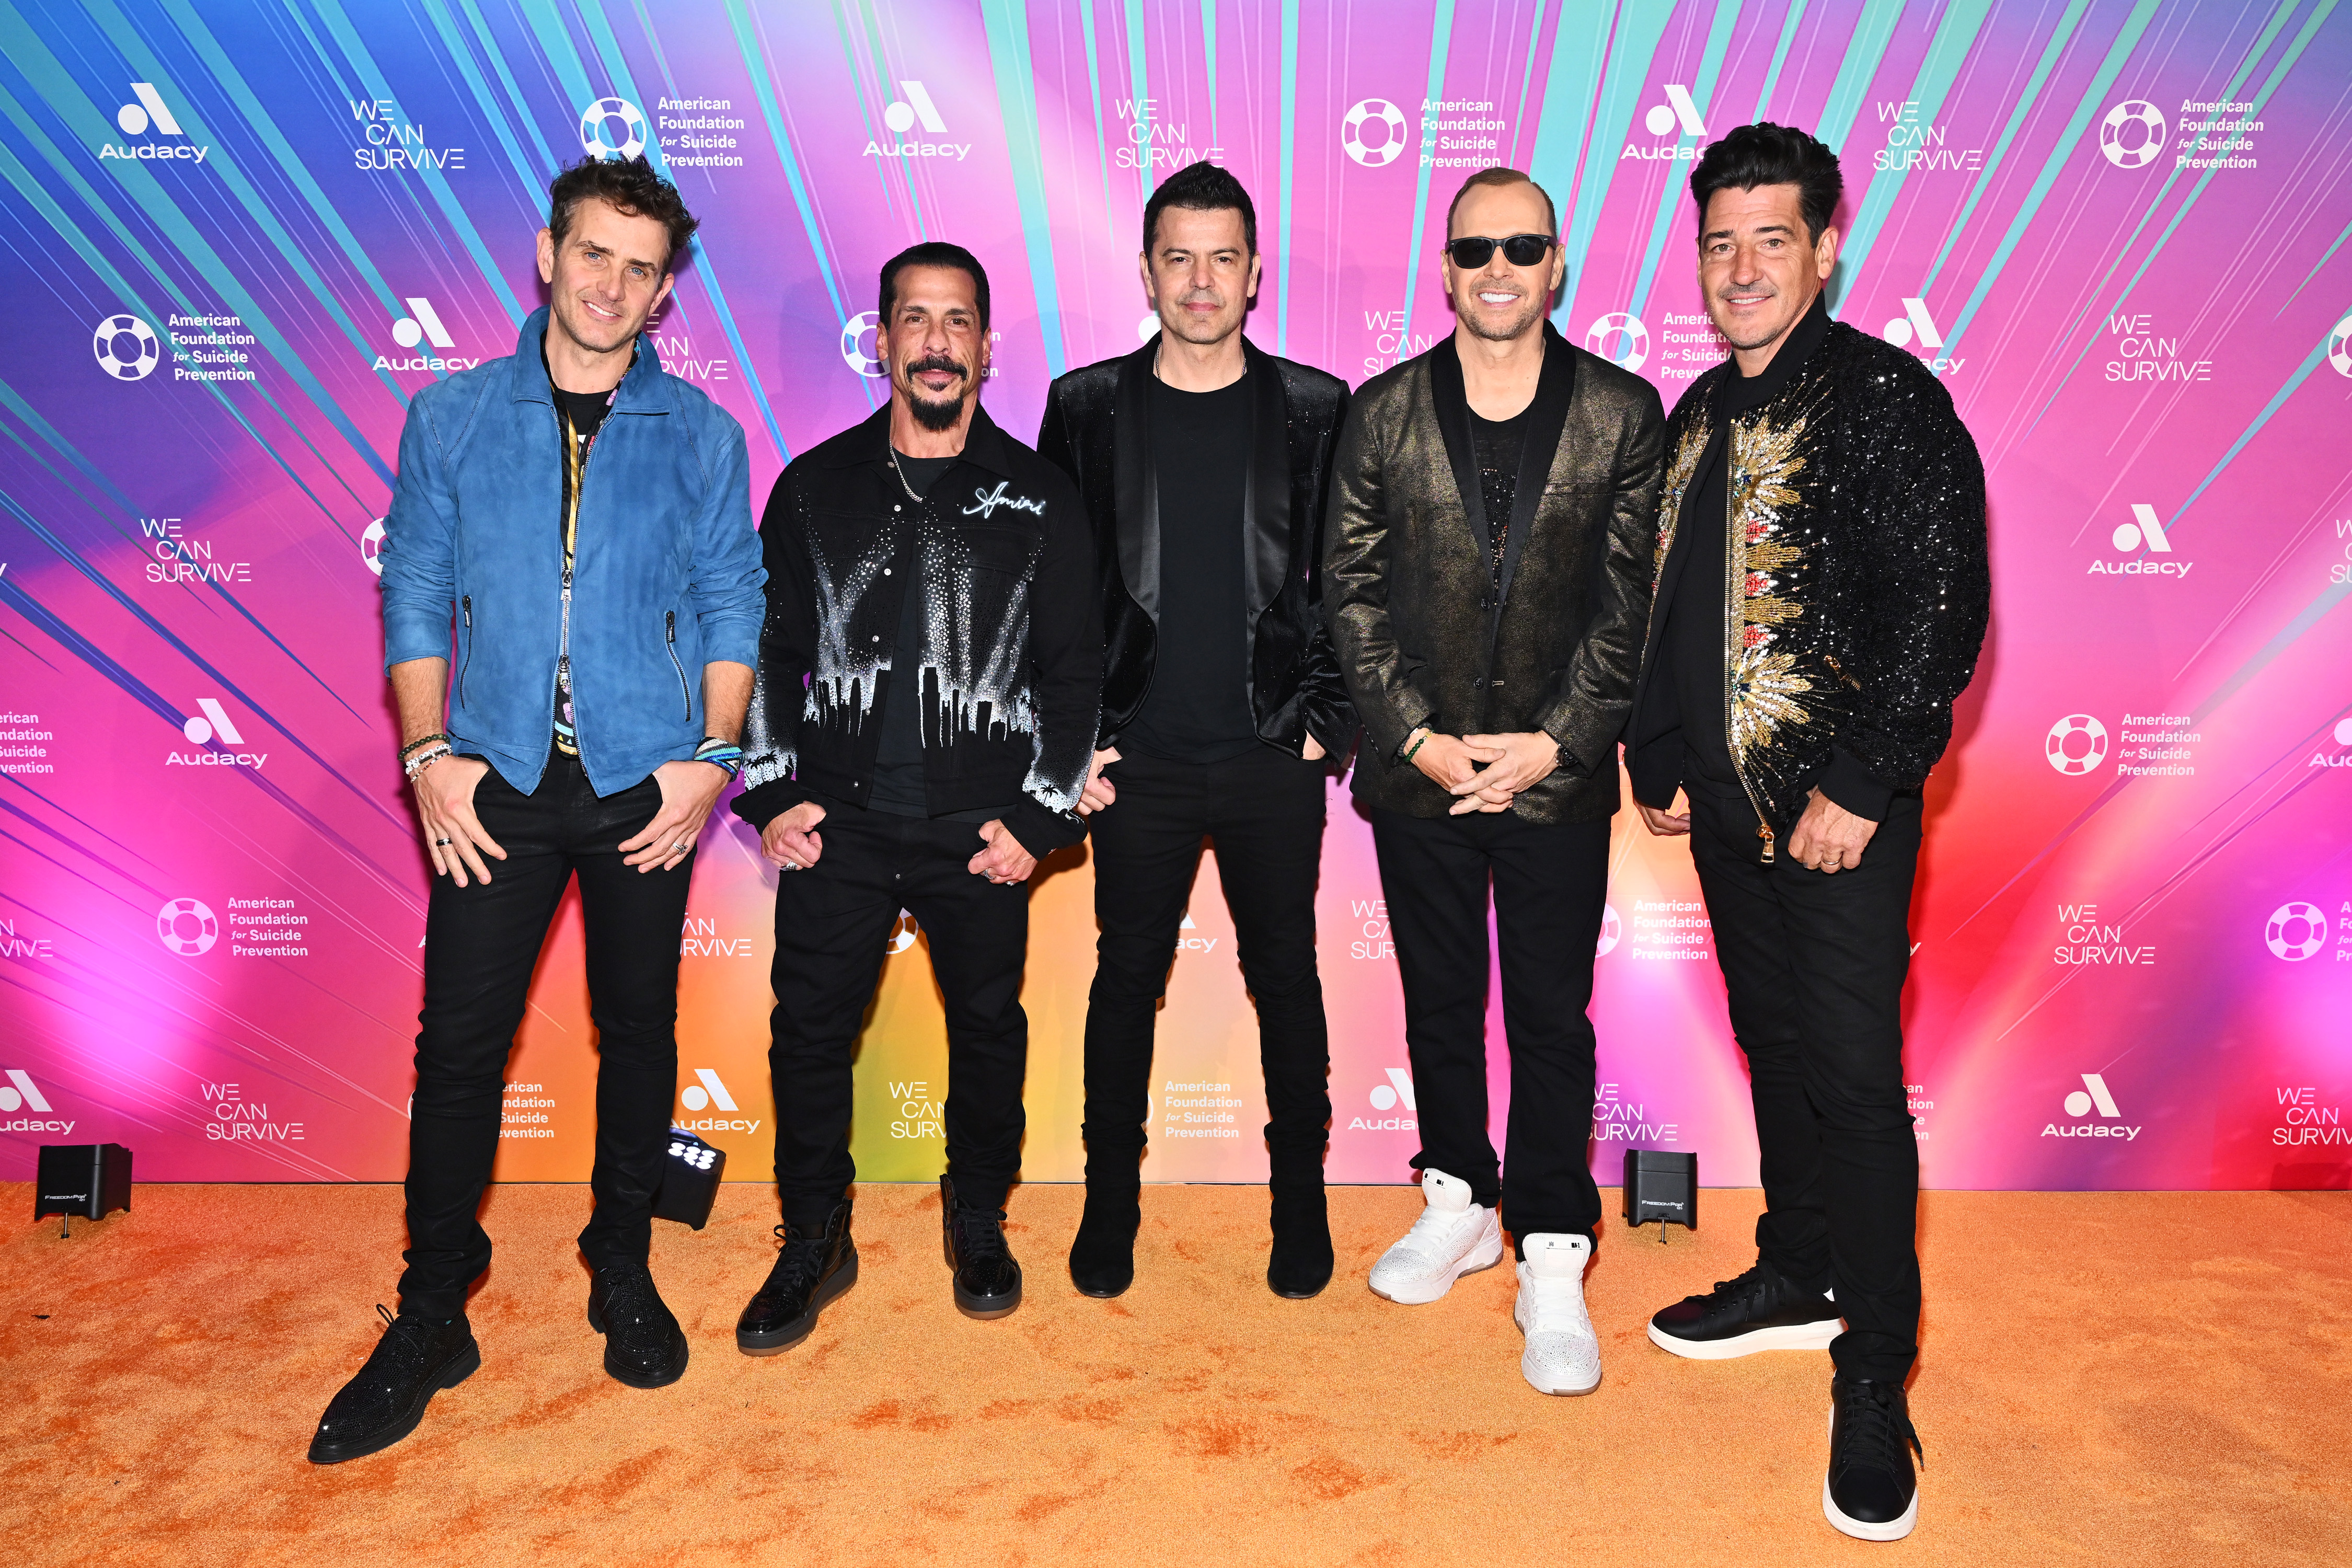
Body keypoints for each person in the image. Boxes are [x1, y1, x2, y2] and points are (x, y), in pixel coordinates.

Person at [311, 156, 765, 1463]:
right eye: (594, 254)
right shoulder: (451, 416)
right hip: (492, 781)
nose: (612, 285)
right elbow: (415, 589)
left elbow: (732, 602)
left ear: (665, 293)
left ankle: (619, 1264)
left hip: (644, 783)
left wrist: (712, 760)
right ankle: (431, 1311)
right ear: (547, 255)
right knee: (459, 1048)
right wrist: (428, 755)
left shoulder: (703, 437)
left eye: (641, 268)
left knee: (639, 1035)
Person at [1624, 122, 1989, 1543]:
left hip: (1838, 816)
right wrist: (1657, 751)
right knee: (1772, 1049)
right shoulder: (1695, 412)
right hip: (1725, 816)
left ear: (1825, 249)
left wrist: (1865, 779)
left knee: (1851, 1078)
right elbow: (1673, 600)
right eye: (1719, 243)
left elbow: (1939, 610)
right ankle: (1799, 1270)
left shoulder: (1888, 402)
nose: (1740, 268)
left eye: (1770, 239)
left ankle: (1876, 1369)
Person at [1325, 167, 1663, 1395]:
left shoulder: (1624, 413)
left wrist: (1554, 742)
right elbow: (1349, 592)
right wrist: (1415, 736)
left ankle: (1552, 1246)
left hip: (1553, 782)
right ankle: (1460, 1195)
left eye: (1524, 247)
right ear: (1447, 269)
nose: (1500, 269)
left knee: (1549, 1017)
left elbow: (1632, 604)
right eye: (1476, 250)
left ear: (1557, 263)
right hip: (1420, 776)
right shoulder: (1382, 412)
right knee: (1439, 1000)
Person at [730, 243, 1098, 1343]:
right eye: (916, 320)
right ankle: (814, 1235)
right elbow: (765, 645)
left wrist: (1038, 818)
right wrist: (771, 792)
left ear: (987, 348)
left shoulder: (1040, 496)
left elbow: (1075, 670)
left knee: (987, 1028)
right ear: (883, 341)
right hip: (837, 822)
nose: (937, 343)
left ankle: (977, 1217)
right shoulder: (815, 487)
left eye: (958, 322)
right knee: (807, 1033)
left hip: (980, 826)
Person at [1036, 162, 1354, 1301]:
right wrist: (1070, 743)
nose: (1202, 281)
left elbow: (1351, 579)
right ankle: (1108, 1204)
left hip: (1273, 755)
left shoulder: (1316, 406)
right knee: (1126, 980)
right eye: (1180, 257)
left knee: (1288, 980)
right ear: (1147, 271)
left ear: (1255, 274)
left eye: (1224, 258)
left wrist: (1328, 724)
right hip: (1140, 761)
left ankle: (1301, 1205)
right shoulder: (1084, 406)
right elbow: (1052, 589)